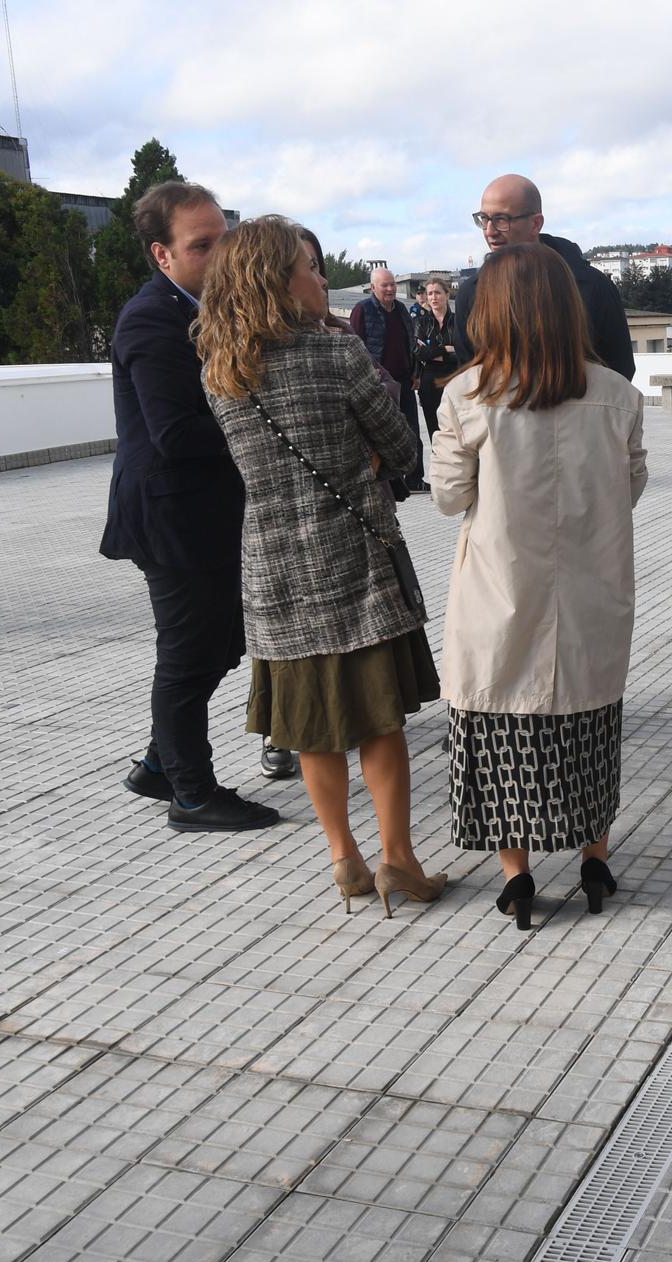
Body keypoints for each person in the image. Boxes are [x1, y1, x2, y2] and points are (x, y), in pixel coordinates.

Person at [196, 216, 446, 914]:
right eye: (308, 267)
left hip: (274, 573)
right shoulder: (337, 358)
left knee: (311, 726)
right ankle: (400, 859)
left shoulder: (221, 370)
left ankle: (345, 858)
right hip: (358, 560)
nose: (319, 278)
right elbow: (402, 449)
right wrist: (368, 454)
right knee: (379, 720)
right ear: (279, 280)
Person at [432, 244, 646, 931]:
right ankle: (593, 858)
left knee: (498, 732)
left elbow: (447, 495)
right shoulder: (617, 394)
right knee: (588, 729)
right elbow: (631, 482)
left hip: (500, 594)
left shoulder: (467, 396)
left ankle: (517, 876)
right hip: (591, 594)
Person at [102, 181, 285, 829]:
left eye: (223, 238)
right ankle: (189, 792)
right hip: (171, 516)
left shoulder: (215, 306)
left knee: (221, 643)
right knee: (188, 655)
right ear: (163, 254)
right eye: (202, 245)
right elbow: (174, 433)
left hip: (211, 515)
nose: (220, 253)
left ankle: (158, 762)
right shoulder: (151, 318)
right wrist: (268, 421)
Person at [451, 175, 636, 380]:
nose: (489, 231)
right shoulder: (471, 293)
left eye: (501, 220)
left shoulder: (592, 287)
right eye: (484, 219)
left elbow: (620, 371)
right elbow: (469, 373)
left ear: (536, 223)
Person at [349, 267, 427, 493]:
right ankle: (390, 483)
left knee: (412, 432)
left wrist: (415, 372)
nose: (391, 289)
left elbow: (410, 343)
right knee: (383, 434)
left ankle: (415, 478)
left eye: (392, 284)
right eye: (385, 285)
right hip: (379, 385)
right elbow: (355, 345)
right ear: (373, 288)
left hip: (404, 381)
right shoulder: (362, 310)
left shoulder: (402, 309)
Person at [413, 278, 457, 440]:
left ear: (447, 294)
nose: (433, 297)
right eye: (430, 293)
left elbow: (464, 352)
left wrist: (432, 351)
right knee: (435, 431)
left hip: (455, 376)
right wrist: (445, 348)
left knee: (457, 430)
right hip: (430, 380)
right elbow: (419, 352)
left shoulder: (459, 322)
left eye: (437, 292)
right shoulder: (421, 322)